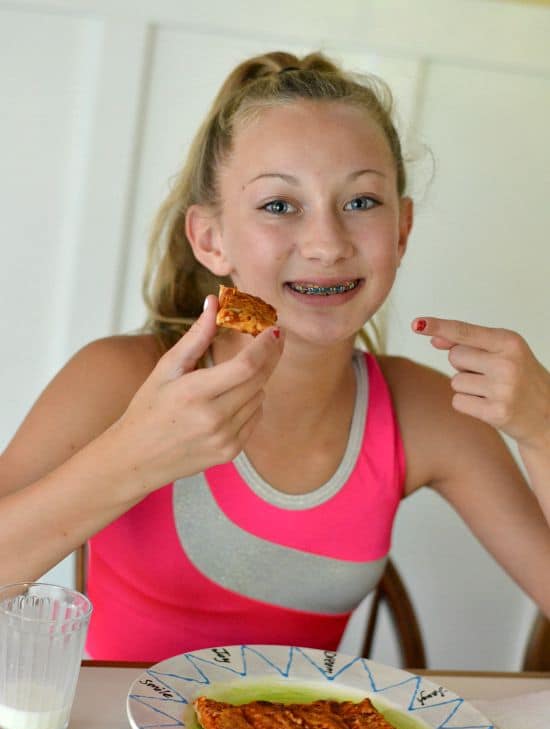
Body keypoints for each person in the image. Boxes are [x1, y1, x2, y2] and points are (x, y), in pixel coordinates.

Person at [1, 51, 549, 662]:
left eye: (362, 202)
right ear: (211, 239)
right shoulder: (116, 378)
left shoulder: (426, 412)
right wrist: (137, 453)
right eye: (280, 206)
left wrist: (543, 428)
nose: (327, 243)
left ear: (402, 230)